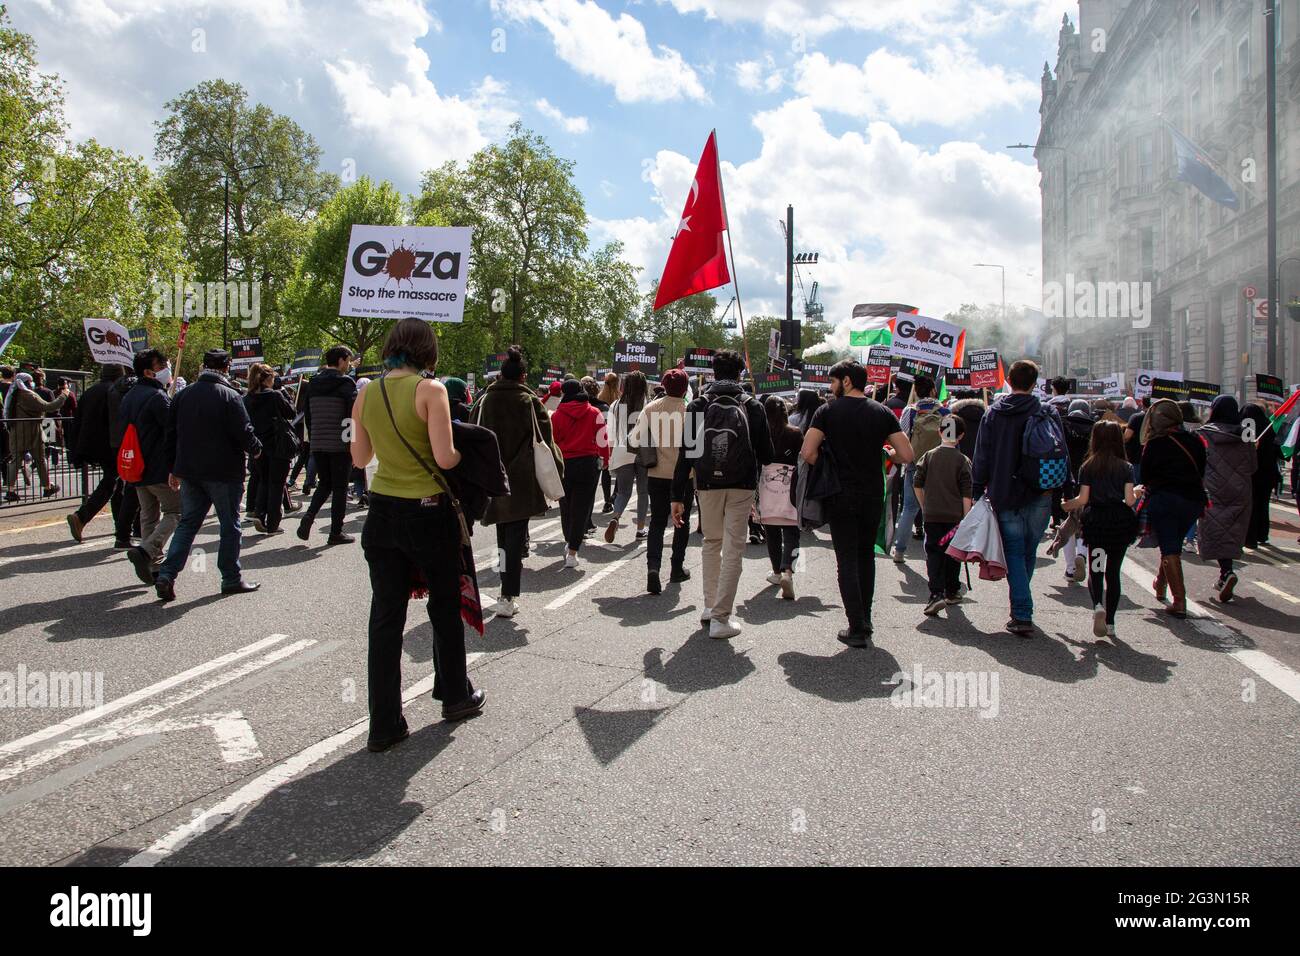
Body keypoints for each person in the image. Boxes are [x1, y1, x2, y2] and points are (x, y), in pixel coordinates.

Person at [348, 318, 484, 751]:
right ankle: (454, 695)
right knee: (444, 608)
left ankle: (384, 723)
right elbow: (445, 459)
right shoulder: (433, 390)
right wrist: (467, 449)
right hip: (428, 513)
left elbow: (359, 456)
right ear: (427, 350)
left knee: (385, 619)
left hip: (382, 513)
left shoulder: (365, 391)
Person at [801, 360, 912, 647]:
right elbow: (907, 454)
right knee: (865, 556)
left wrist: (828, 465)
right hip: (872, 493)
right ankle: (867, 618)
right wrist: (888, 455)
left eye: (833, 380)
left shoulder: (826, 412)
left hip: (839, 493)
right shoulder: (882, 411)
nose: (830, 386)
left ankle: (856, 625)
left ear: (847, 381)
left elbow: (808, 452)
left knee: (846, 559)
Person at [672, 349, 774, 640]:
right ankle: (721, 617)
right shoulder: (752, 405)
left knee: (711, 543)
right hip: (742, 485)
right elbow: (767, 454)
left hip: (705, 483)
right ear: (741, 373)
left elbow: (687, 452)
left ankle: (709, 607)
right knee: (733, 548)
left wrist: (676, 496)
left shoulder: (698, 405)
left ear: (713, 372)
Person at [154, 350, 263, 603]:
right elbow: (244, 432)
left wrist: (173, 467)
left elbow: (170, 435)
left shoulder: (183, 395)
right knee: (229, 525)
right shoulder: (230, 395)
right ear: (227, 367)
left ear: (204, 366)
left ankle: (167, 574)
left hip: (190, 470)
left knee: (188, 524)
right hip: (224, 471)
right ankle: (231, 577)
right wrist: (256, 448)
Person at [971, 359, 1060, 637]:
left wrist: (977, 487)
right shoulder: (1046, 411)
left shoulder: (994, 413)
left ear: (1008, 379)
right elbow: (1061, 451)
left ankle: (1022, 612)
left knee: (1014, 551)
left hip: (1004, 490)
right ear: (1035, 383)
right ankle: (1022, 600)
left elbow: (982, 454)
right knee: (1027, 550)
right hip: (1040, 490)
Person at [475, 345, 560, 617]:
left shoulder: (484, 401)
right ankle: (507, 594)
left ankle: (505, 588)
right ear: (523, 376)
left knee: (503, 537)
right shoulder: (530, 402)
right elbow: (546, 439)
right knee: (513, 539)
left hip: (492, 476)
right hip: (522, 479)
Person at [1062, 420, 1137, 643]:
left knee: (1097, 568)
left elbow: (1083, 499)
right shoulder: (1126, 467)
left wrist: (1066, 505)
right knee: (1113, 572)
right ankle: (1111, 623)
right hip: (1119, 522)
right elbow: (1130, 500)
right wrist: (1139, 492)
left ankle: (1097, 605)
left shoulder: (1088, 466)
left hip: (1096, 522)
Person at [1136, 398, 1206, 618]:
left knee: (1169, 546)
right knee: (1172, 542)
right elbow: (1202, 470)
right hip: (1193, 501)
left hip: (1165, 499)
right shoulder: (1195, 440)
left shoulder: (1155, 443)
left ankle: (1179, 600)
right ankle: (1160, 584)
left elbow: (1145, 476)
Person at [118, 349, 180, 584]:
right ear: (148, 371)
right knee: (176, 511)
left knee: (148, 515)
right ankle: (147, 551)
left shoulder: (129, 396)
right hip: (157, 466)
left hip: (136, 466)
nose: (166, 368)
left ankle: (153, 566)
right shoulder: (157, 397)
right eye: (161, 365)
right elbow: (171, 431)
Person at [630, 367, 692, 594]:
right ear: (685, 387)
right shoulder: (691, 410)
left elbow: (633, 439)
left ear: (664, 385)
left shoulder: (651, 408)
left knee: (656, 522)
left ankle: (653, 568)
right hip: (684, 477)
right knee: (682, 522)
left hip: (656, 473)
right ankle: (677, 567)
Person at [66, 364, 137, 545]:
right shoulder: (114, 391)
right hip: (111, 445)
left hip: (93, 444)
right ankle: (82, 516)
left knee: (117, 485)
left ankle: (120, 527)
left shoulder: (91, 391)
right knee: (112, 482)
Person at [1196, 395, 1255, 604]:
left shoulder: (1203, 433)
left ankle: (1226, 571)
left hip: (1212, 490)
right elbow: (1252, 466)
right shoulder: (1246, 436)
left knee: (1216, 529)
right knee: (1231, 532)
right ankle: (1225, 573)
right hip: (1240, 491)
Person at [298, 346, 358, 545]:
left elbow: (308, 414)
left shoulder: (313, 383)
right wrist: (352, 444)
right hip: (340, 445)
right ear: (341, 361)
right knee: (340, 488)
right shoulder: (346, 383)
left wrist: (315, 436)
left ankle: (308, 517)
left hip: (318, 442)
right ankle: (335, 532)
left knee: (324, 484)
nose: (348, 365)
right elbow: (351, 417)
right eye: (348, 361)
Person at [914, 415, 972, 617]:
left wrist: (924, 505)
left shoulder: (928, 456)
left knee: (934, 553)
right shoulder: (962, 460)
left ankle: (935, 593)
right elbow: (966, 492)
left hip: (932, 515)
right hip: (954, 518)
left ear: (940, 431)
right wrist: (967, 518)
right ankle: (952, 590)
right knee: (953, 553)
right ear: (961, 435)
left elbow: (917, 483)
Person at [551, 378, 609, 569]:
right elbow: (603, 439)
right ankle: (573, 552)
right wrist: (605, 460)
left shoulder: (557, 416)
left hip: (564, 463)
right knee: (582, 508)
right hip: (587, 463)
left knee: (565, 506)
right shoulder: (595, 412)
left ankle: (568, 540)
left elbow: (553, 442)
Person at [891, 375, 949, 562]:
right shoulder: (948, 412)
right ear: (933, 390)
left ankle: (899, 550)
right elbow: (952, 442)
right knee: (936, 510)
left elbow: (903, 437)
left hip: (915, 465)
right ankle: (935, 550)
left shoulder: (911, 411)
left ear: (915, 391)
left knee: (909, 508)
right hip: (940, 467)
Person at [243, 363, 297, 535]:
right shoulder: (274, 395)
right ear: (267, 379)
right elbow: (291, 412)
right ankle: (273, 523)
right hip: (277, 444)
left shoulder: (246, 399)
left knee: (264, 480)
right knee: (277, 484)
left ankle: (259, 512)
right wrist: (285, 394)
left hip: (258, 446)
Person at [757, 395, 801, 600]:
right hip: (790, 486)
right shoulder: (795, 433)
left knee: (771, 530)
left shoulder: (761, 434)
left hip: (767, 485)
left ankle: (776, 571)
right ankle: (788, 572)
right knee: (792, 531)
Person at [4, 371, 67, 501]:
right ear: (27, 382)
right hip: (32, 432)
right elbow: (49, 406)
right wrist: (63, 396)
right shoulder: (28, 395)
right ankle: (47, 487)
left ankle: (10, 490)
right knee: (40, 459)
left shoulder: (14, 395)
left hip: (16, 432)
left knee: (15, 461)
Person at [605, 370, 650, 543]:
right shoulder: (648, 404)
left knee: (623, 492)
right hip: (642, 453)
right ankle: (640, 529)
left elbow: (610, 435)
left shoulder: (615, 405)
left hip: (621, 451)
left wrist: (610, 455)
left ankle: (615, 516)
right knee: (643, 491)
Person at [1060, 399, 1096, 583]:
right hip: (1089, 482)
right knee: (1085, 524)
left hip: (1066, 482)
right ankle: (1082, 554)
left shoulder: (1063, 427)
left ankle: (1070, 568)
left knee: (1067, 525)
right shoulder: (1094, 429)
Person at [1241, 403, 1279, 549]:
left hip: (1251, 473)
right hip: (1267, 474)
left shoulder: (1246, 426)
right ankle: (1262, 534)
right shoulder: (1267, 426)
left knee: (1251, 506)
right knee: (1263, 505)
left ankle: (1250, 538)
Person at [596, 372, 620, 513]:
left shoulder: (600, 398)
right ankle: (615, 495)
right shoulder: (620, 399)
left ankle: (606, 501)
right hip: (616, 438)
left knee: (605, 470)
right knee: (618, 469)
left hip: (602, 438)